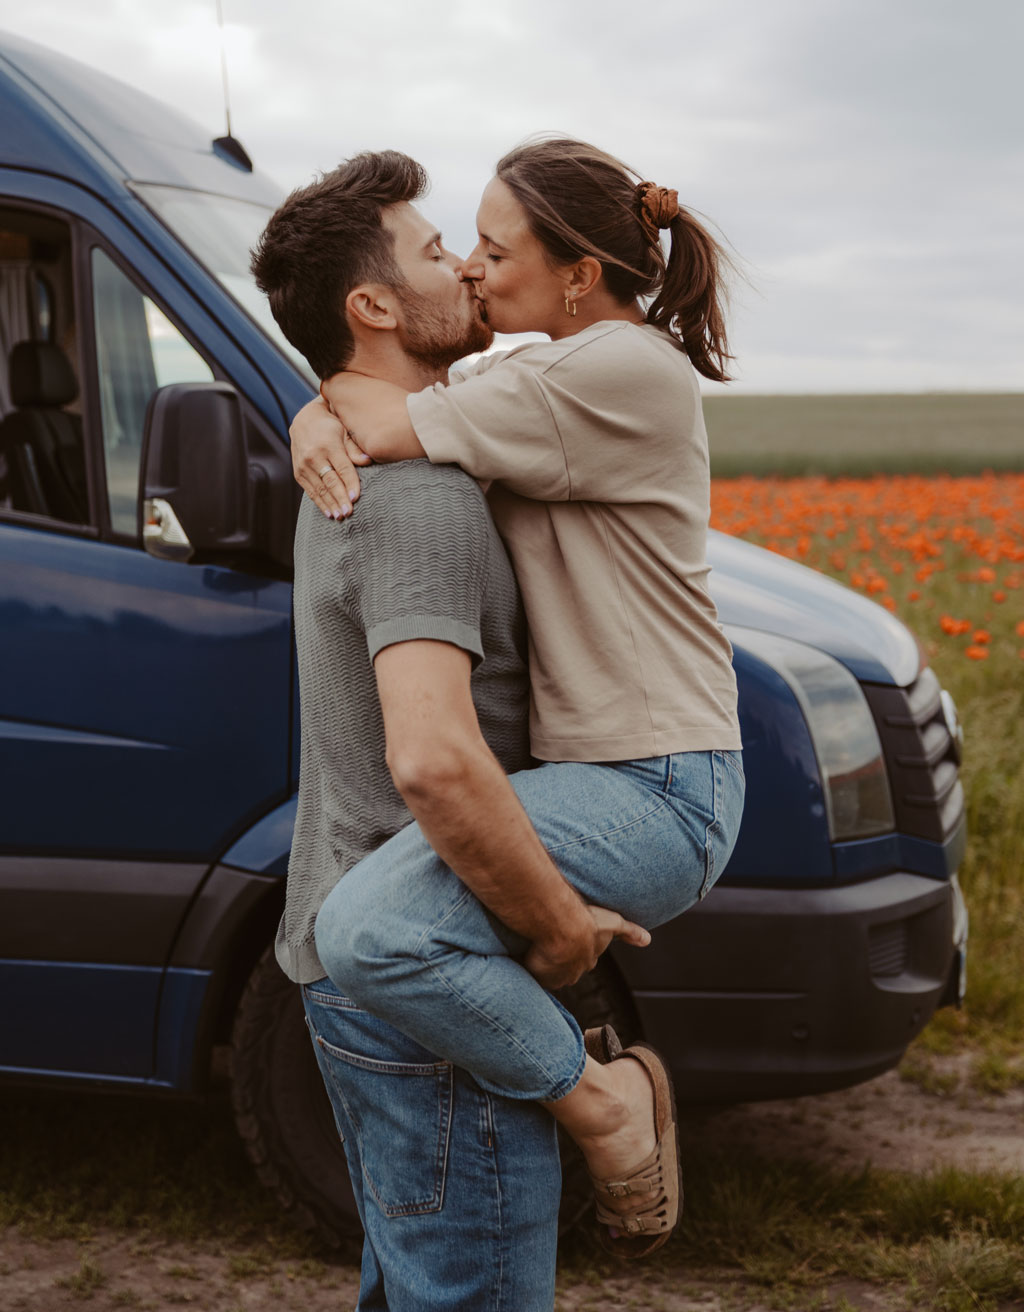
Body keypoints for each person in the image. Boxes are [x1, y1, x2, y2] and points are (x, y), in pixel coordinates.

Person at [290, 137, 745, 1260]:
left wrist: (323, 411)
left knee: (373, 928)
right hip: (602, 774)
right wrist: (318, 406)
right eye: (462, 250)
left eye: (493, 250)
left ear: (578, 272)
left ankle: (604, 1101)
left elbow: (387, 415)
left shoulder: (621, 372)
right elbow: (382, 389)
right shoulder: (535, 376)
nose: (477, 271)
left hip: (658, 780)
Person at [253, 149, 651, 1312]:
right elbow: (431, 757)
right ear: (371, 308)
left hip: (355, 955)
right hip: (418, 972)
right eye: (437, 254)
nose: (468, 274)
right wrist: (560, 926)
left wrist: (318, 401)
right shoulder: (418, 496)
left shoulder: (374, 446)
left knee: (415, 1284)